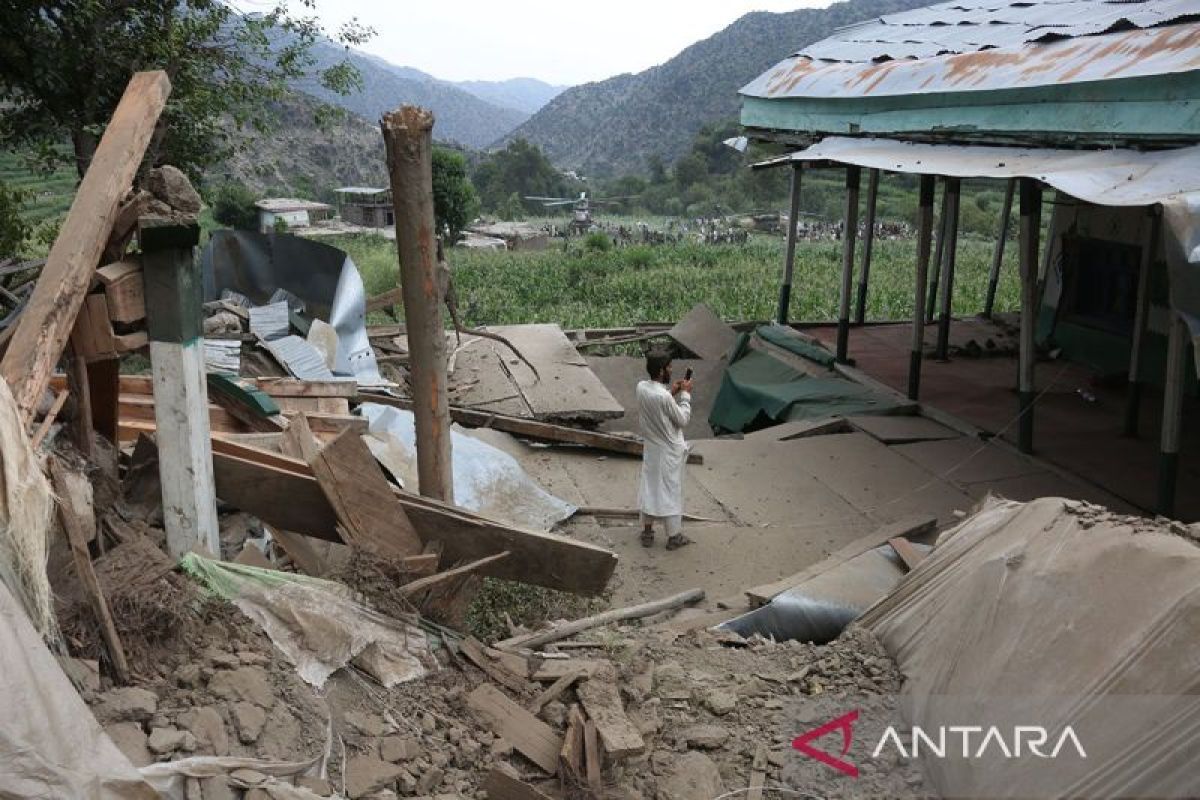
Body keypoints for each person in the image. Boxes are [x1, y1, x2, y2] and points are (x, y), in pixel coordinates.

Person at [637, 352, 693, 550]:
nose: (671, 370)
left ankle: (647, 532)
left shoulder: (641, 387)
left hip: (652, 448)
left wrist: (673, 391)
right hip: (669, 451)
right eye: (669, 367)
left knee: (649, 487)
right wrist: (685, 395)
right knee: (670, 491)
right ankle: (674, 536)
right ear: (661, 371)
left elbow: (659, 402)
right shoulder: (663, 397)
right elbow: (682, 419)